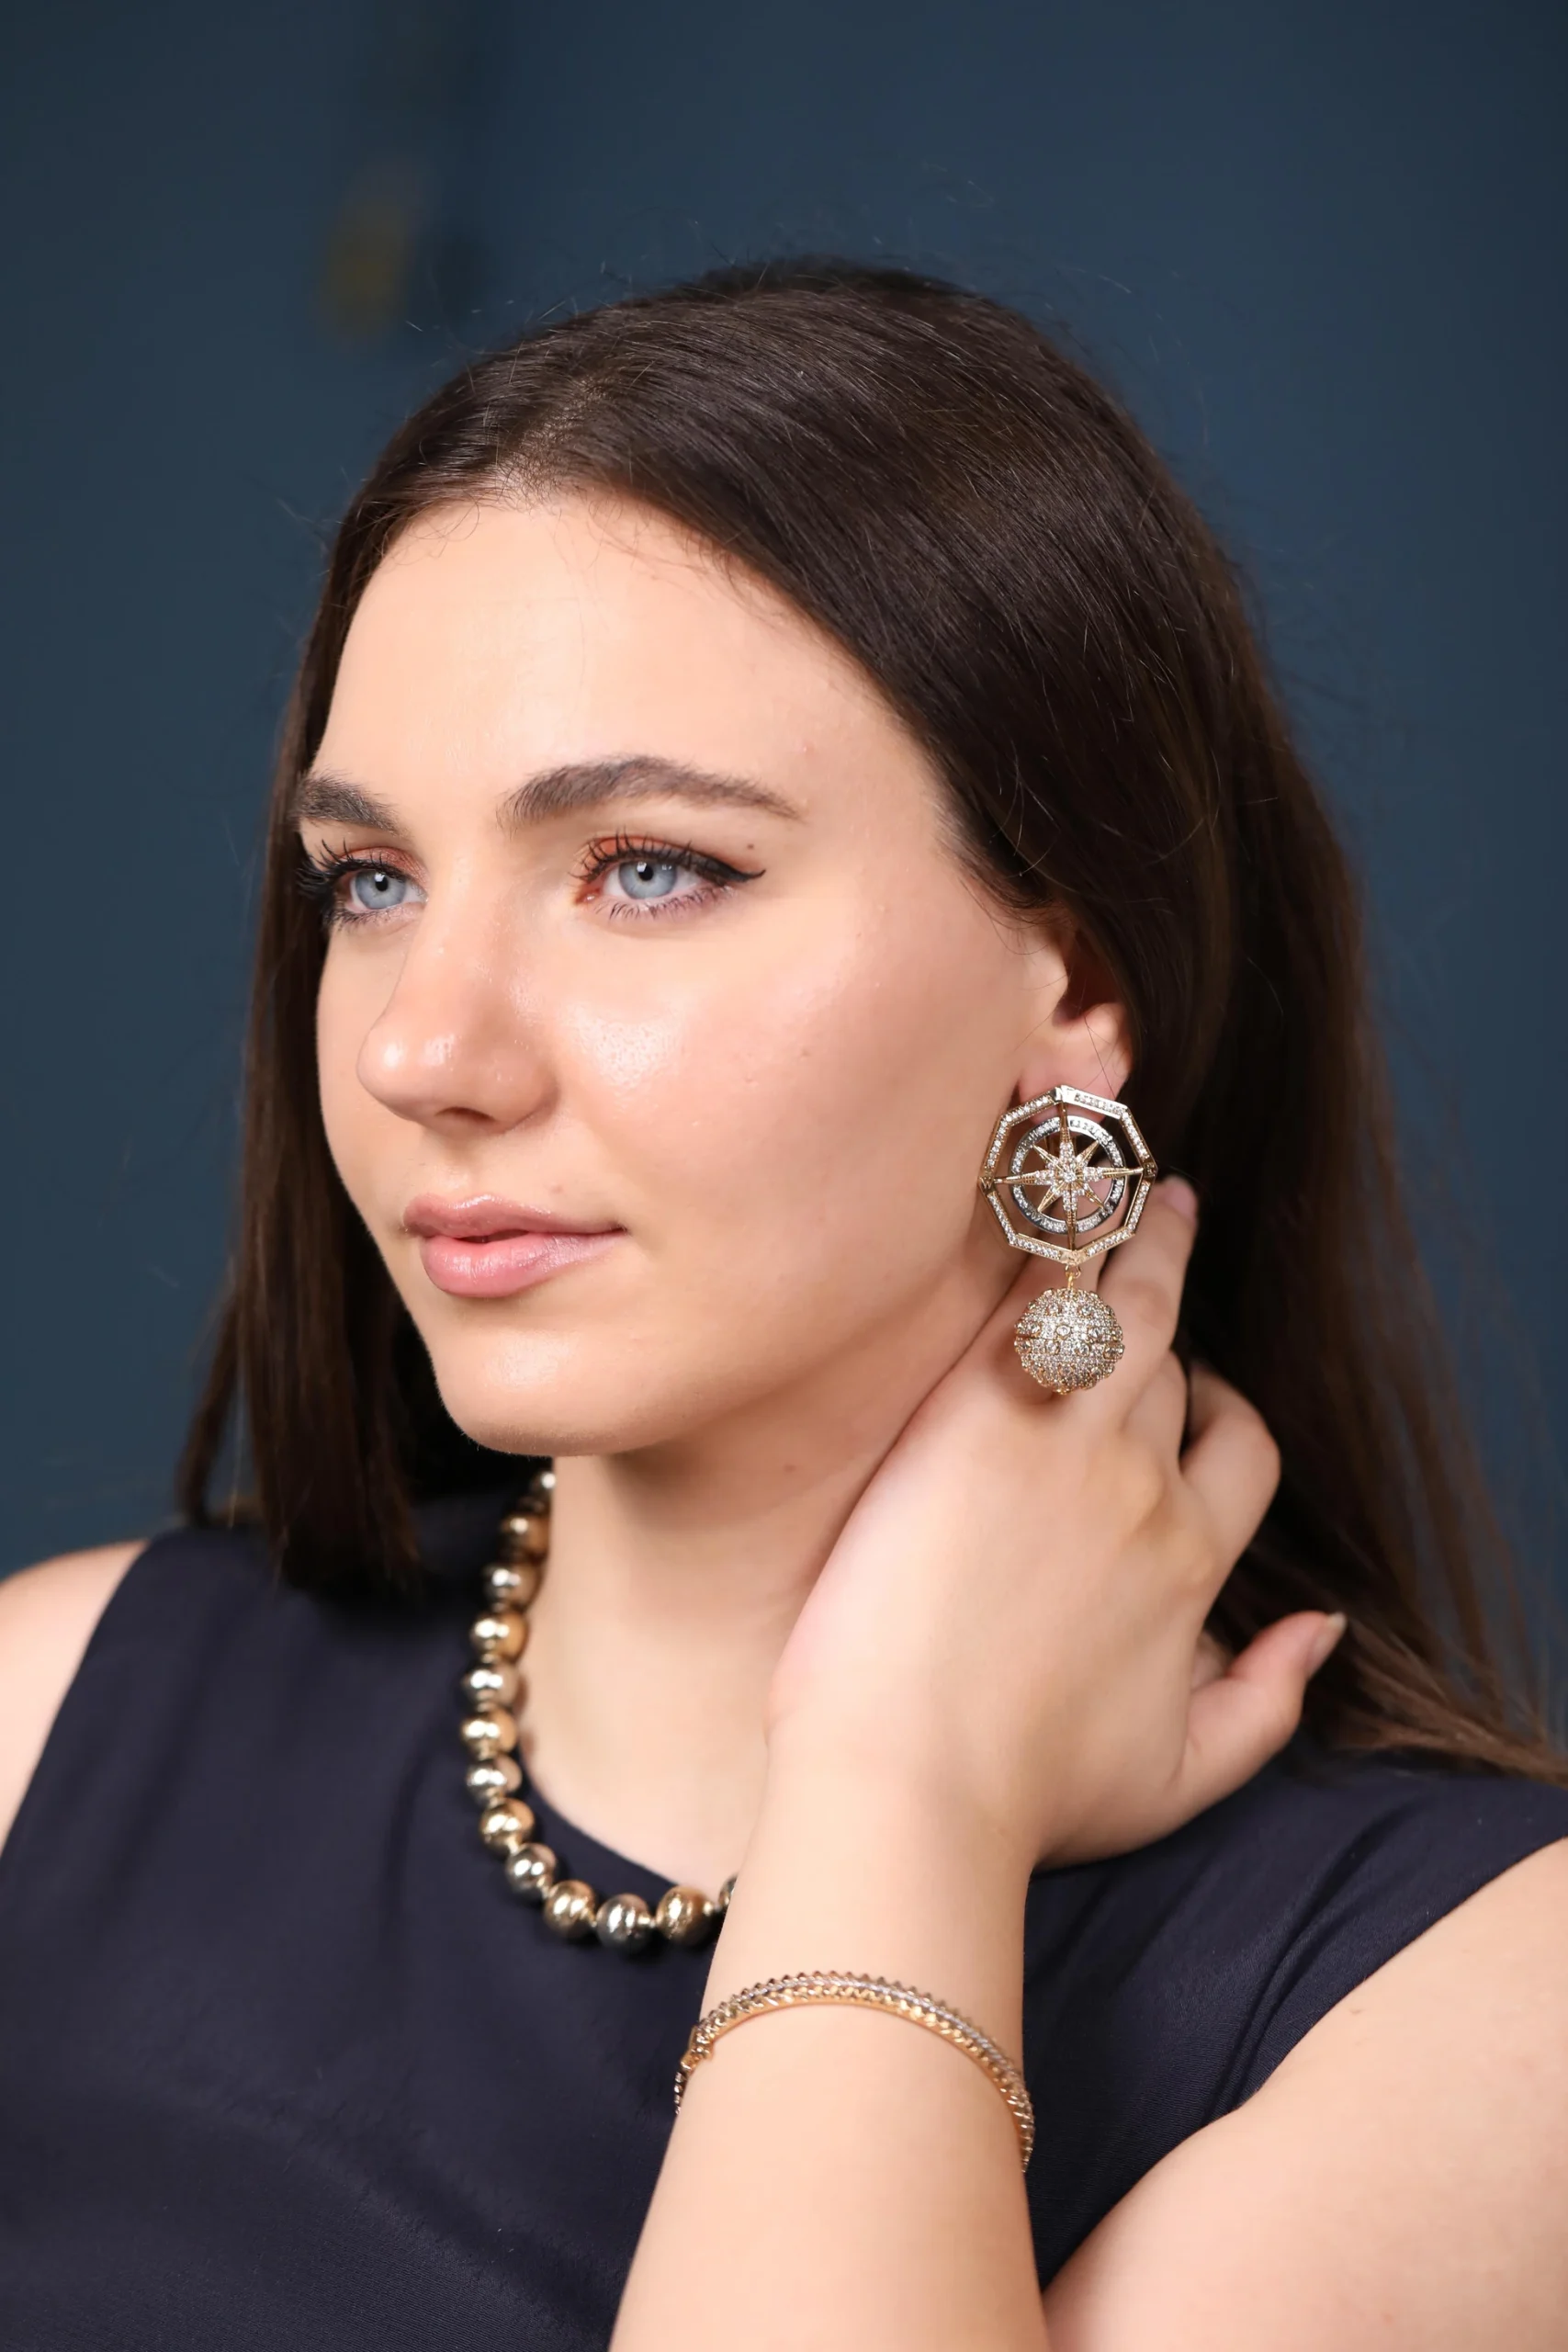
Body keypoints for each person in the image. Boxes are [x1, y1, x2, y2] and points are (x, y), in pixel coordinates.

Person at [1, 262, 1564, 2352]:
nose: (419, 1049)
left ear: (1078, 983)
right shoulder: (47, 1721)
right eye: (370, 881)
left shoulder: (1477, 2005)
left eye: (649, 867)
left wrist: (897, 1777)